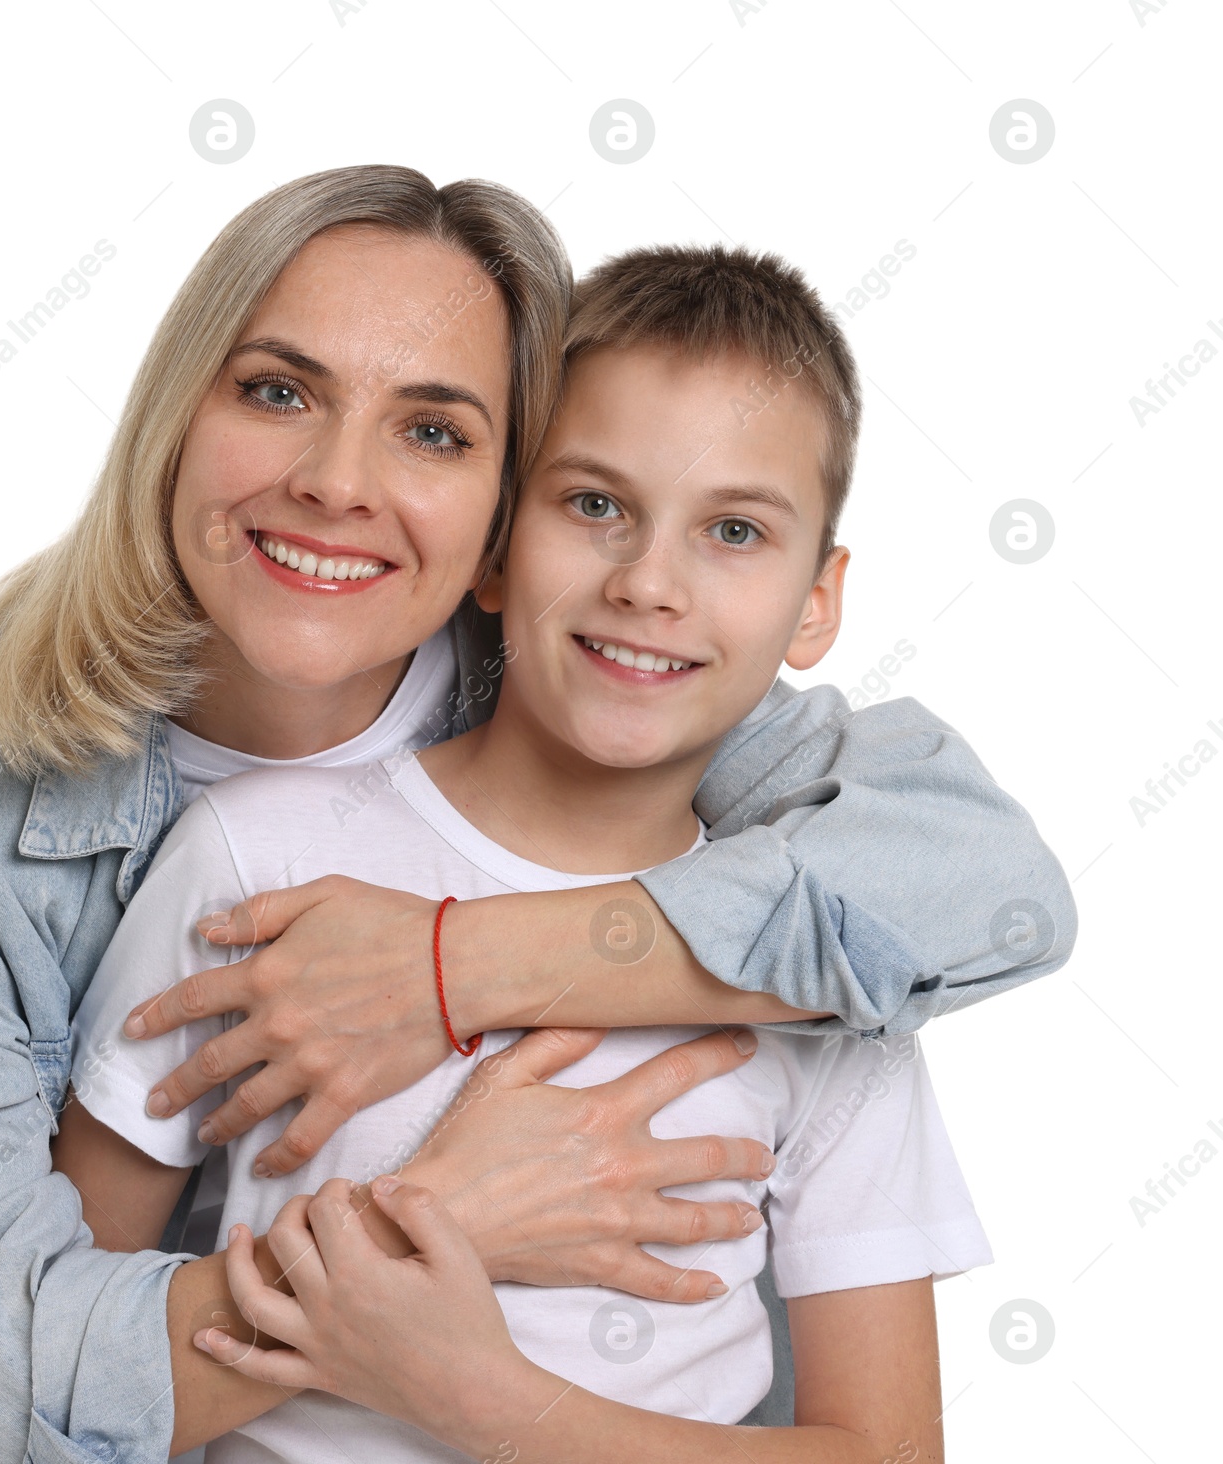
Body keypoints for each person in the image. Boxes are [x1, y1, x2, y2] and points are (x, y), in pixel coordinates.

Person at [0, 166, 1071, 1464]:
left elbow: (974, 888)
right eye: (277, 391)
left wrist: (447, 968)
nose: (339, 484)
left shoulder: (627, 695)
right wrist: (434, 1220)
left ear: (496, 508)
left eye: (435, 430)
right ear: (176, 409)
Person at [58, 241, 994, 1460]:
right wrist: (426, 1226)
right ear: (495, 547)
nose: (649, 583)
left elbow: (886, 1453)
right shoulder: (259, 864)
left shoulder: (823, 991)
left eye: (734, 531)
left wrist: (483, 1399)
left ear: (815, 602)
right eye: (593, 505)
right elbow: (67, 1365)